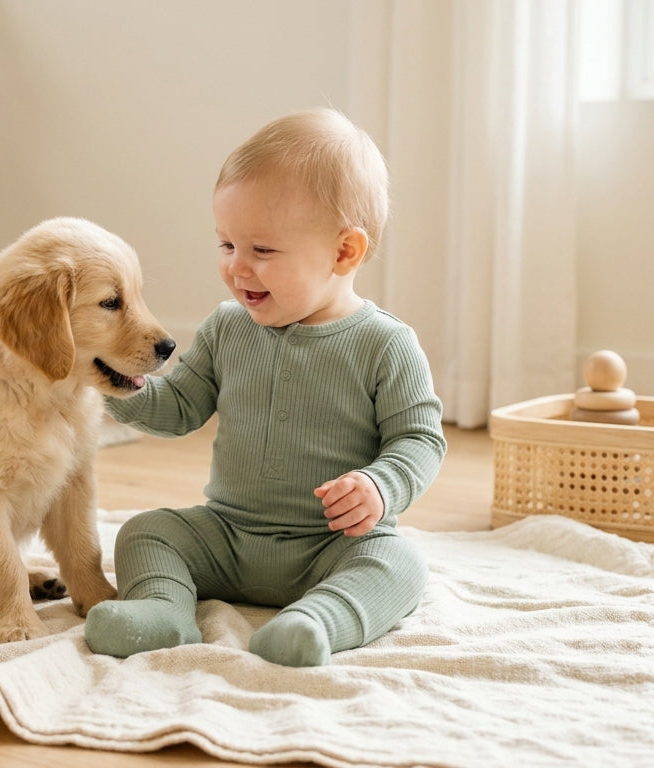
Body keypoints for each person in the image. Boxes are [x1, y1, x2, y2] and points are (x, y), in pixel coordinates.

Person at [83, 108, 446, 667]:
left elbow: (421, 440)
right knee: (146, 531)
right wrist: (112, 379)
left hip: (335, 545)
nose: (237, 268)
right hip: (230, 534)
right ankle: (163, 612)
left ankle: (314, 621)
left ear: (344, 251)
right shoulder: (227, 327)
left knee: (401, 565)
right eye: (227, 246)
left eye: (262, 251)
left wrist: (380, 487)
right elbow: (178, 407)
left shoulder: (385, 343)